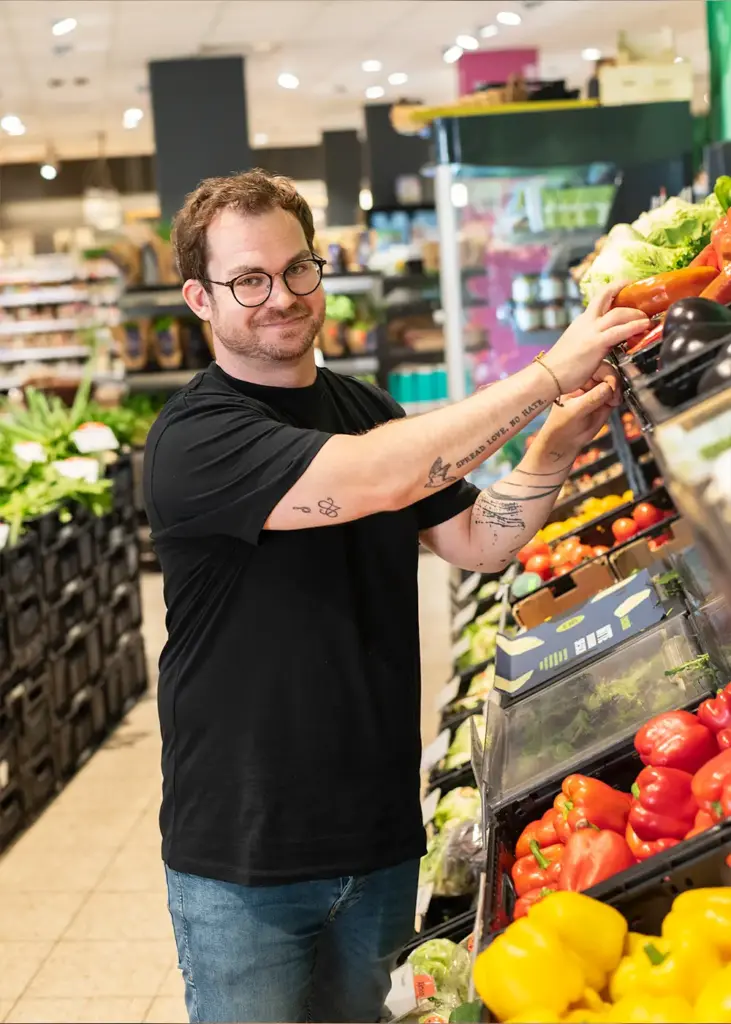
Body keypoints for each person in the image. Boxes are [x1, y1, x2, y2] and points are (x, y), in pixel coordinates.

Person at [143, 169, 649, 1024]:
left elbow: (478, 541)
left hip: (377, 837)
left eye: (297, 268)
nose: (281, 297)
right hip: (245, 854)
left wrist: (555, 445)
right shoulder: (195, 439)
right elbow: (380, 475)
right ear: (200, 297)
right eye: (248, 280)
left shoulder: (362, 405)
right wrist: (543, 379)